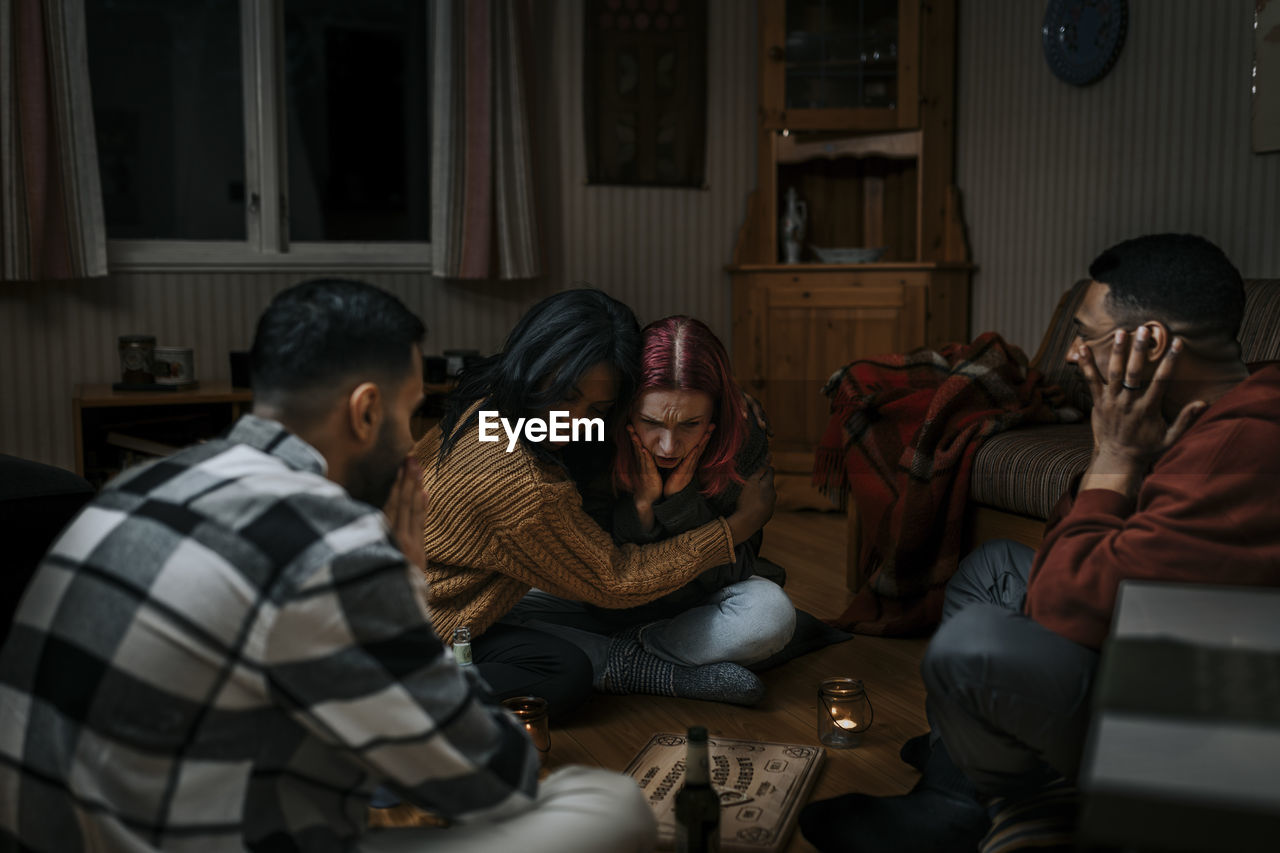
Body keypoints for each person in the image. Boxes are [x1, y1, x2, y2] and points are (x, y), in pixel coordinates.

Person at [0, 279, 656, 853]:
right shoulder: (340, 545)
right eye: (407, 417)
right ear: (366, 410)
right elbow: (488, 775)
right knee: (614, 806)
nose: (418, 449)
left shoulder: (142, 481)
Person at [800, 234, 1280, 853]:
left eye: (1088, 334)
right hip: (1151, 633)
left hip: (1205, 729)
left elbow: (1063, 611)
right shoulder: (1207, 402)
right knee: (991, 568)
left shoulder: (1244, 450)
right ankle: (961, 775)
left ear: (1150, 343)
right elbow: (1069, 548)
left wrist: (1113, 457)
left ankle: (982, 794)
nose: (1075, 354)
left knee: (972, 650)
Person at [415, 290, 777, 715]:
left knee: (767, 612)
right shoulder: (522, 482)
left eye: (598, 407)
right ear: (534, 363)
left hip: (471, 601)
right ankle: (632, 666)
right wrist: (739, 524)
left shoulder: (495, 408)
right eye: (566, 396)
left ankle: (616, 654)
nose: (574, 421)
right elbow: (616, 581)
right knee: (564, 675)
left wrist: (721, 399)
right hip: (427, 627)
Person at [509, 315, 795, 676]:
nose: (668, 446)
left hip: (698, 604)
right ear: (626, 407)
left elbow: (734, 570)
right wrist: (641, 509)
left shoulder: (740, 438)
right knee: (494, 605)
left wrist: (680, 504)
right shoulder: (593, 436)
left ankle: (622, 655)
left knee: (769, 615)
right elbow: (604, 573)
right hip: (601, 598)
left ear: (717, 412)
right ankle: (663, 663)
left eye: (691, 424)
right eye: (651, 422)